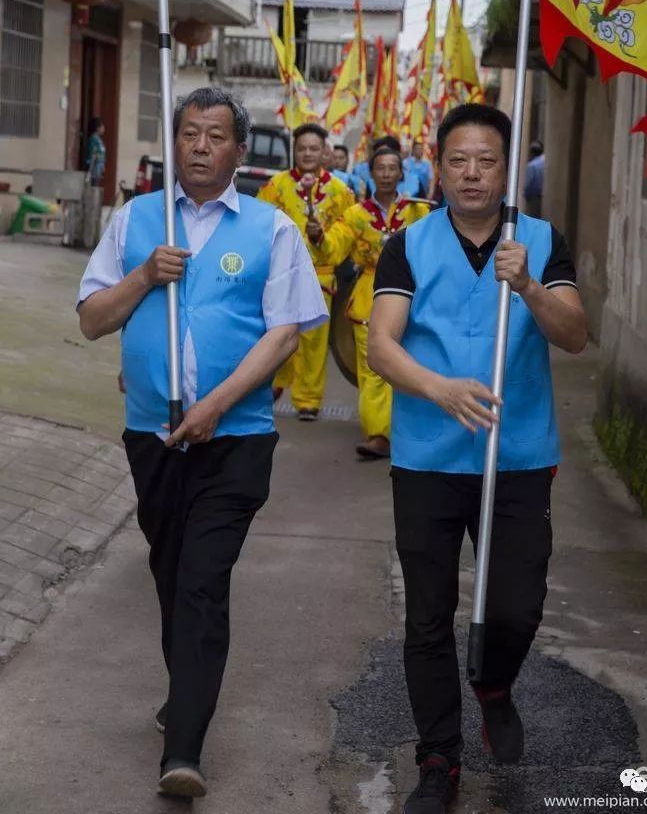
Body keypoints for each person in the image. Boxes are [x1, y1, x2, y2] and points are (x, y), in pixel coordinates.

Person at [76, 87, 327, 799]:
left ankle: (183, 748)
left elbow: (285, 332)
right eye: (190, 133)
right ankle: (185, 688)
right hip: (152, 436)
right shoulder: (136, 222)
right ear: (174, 142)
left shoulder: (272, 230)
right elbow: (94, 320)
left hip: (235, 439)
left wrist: (219, 402)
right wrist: (145, 276)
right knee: (169, 569)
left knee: (201, 580)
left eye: (216, 136)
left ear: (239, 152)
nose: (200, 147)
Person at [368, 103, 586, 814]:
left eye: (486, 160)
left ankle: (493, 684)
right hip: (429, 459)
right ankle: (439, 762)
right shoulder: (408, 244)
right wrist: (439, 389)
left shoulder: (542, 242)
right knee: (427, 618)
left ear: (506, 167)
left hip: (519, 456)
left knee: (518, 606)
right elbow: (381, 345)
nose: (471, 173)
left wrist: (525, 284)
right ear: (439, 164)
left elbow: (576, 334)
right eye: (458, 159)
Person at [308, 146, 430, 460]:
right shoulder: (356, 215)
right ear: (371, 173)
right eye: (381, 168)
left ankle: (404, 429)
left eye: (393, 168)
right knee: (375, 368)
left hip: (412, 299)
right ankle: (378, 434)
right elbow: (335, 246)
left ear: (401, 173)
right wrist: (320, 237)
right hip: (368, 297)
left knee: (410, 366)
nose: (387, 173)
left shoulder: (419, 212)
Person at [257, 122, 354, 421]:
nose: (308, 153)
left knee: (313, 340)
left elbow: (348, 231)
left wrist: (321, 238)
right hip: (281, 274)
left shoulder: (340, 192)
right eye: (302, 148)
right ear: (293, 151)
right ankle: (275, 381)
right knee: (277, 330)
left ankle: (309, 398)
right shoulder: (276, 187)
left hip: (320, 274)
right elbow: (260, 225)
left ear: (325, 152)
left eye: (314, 148)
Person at [524, 139, 545, 219]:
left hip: (534, 197)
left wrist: (526, 195)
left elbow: (528, 184)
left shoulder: (531, 165)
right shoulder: (544, 162)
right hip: (542, 196)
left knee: (532, 218)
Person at [85, 116, 106, 185]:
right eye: (102, 126)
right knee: (93, 187)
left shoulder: (99, 140)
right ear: (97, 128)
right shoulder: (93, 139)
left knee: (96, 186)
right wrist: (90, 170)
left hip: (99, 168)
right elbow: (93, 154)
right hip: (94, 168)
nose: (103, 128)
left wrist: (102, 166)